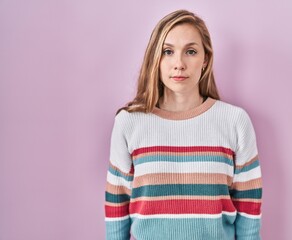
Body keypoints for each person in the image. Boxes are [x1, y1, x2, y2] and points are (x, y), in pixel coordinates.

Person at [104, 9, 263, 240]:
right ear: (155, 58)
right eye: (168, 52)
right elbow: (116, 207)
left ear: (205, 59)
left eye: (190, 51)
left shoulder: (234, 121)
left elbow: (249, 210)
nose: (179, 63)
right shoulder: (128, 123)